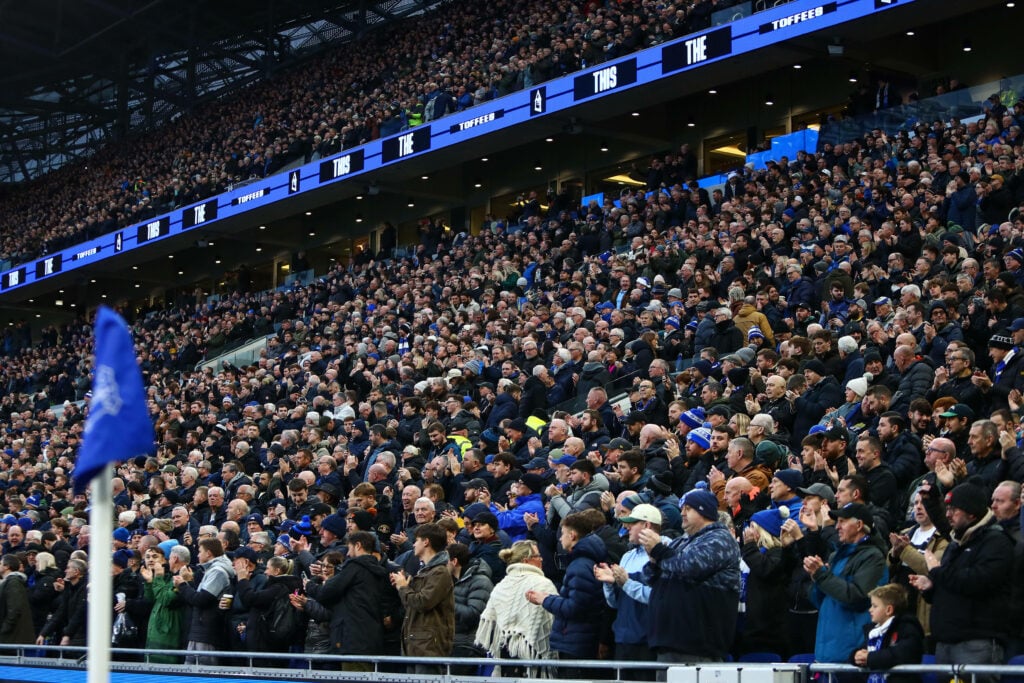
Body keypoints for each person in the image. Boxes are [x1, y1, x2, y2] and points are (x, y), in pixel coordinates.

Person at [909, 481, 1015, 682]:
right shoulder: (958, 542)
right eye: (947, 509)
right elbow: (951, 585)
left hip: (977, 643)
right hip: (946, 642)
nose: (948, 514)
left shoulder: (996, 542)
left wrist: (938, 573)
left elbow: (977, 582)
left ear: (972, 514)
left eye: (954, 510)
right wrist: (931, 587)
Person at [640, 489, 741, 663]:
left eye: (688, 508)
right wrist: (653, 560)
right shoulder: (681, 541)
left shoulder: (720, 539)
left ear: (704, 511)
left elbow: (690, 567)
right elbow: (649, 578)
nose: (682, 513)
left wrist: (658, 550)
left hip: (698, 644)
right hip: (668, 641)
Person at [526, 510, 607, 675]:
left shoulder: (580, 566)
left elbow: (575, 607)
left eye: (562, 534)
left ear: (572, 535)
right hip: (577, 641)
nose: (560, 538)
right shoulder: (582, 562)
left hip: (577, 645)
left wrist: (545, 599)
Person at [804, 503, 888, 663]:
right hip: (825, 655)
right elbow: (819, 601)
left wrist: (822, 576)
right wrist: (816, 579)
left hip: (851, 655)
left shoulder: (873, 557)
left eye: (842, 521)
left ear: (859, 525)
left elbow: (856, 597)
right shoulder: (837, 556)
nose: (837, 527)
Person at [302, 530, 388, 671]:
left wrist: (310, 586)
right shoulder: (379, 571)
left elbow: (327, 592)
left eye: (349, 548)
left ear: (358, 545)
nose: (347, 554)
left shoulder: (355, 567)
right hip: (372, 638)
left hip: (352, 640)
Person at [595, 503, 664, 679]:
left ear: (647, 525)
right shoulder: (627, 556)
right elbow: (616, 603)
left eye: (632, 523)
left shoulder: (666, 551)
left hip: (649, 640)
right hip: (624, 638)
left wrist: (626, 582)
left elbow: (657, 597)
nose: (626, 527)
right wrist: (610, 583)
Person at [476, 540, 557, 677]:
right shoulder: (543, 583)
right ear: (526, 561)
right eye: (537, 556)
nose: (541, 559)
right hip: (533, 656)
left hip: (506, 653)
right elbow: (553, 620)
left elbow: (491, 620)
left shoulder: (502, 584)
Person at [390, 523, 455, 674]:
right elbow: (412, 604)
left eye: (416, 539)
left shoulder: (440, 572)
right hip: (416, 646)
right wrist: (406, 584)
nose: (413, 544)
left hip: (429, 649)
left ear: (426, 542)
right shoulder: (425, 572)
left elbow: (422, 602)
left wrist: (403, 587)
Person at [235, 555, 305, 664]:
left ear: (277, 571)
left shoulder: (278, 587)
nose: (265, 572)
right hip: (271, 642)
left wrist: (242, 580)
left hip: (267, 644)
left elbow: (251, 599)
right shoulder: (283, 586)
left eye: (268, 568)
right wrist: (248, 625)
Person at [851, 584, 925, 683]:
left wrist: (870, 658)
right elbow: (863, 650)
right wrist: (855, 656)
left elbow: (903, 654)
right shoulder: (873, 632)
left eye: (875, 606)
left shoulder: (907, 627)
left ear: (889, 610)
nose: (870, 610)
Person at [447, 542, 494, 666]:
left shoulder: (481, 581)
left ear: (454, 561)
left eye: (444, 561)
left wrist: (447, 602)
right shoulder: (450, 580)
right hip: (450, 643)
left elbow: (473, 615)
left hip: (467, 647)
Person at [140, 545, 186, 664]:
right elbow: (152, 600)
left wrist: (158, 577)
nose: (150, 560)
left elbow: (166, 599)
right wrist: (149, 582)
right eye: (148, 557)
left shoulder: (172, 576)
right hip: (154, 629)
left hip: (169, 630)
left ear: (164, 560)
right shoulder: (158, 576)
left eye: (155, 556)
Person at [0, 555, 35, 644]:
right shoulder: (9, 582)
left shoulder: (13, 582)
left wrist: (4, 628)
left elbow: (15, 608)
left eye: (0, 563)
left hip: (12, 636)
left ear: (7, 566)